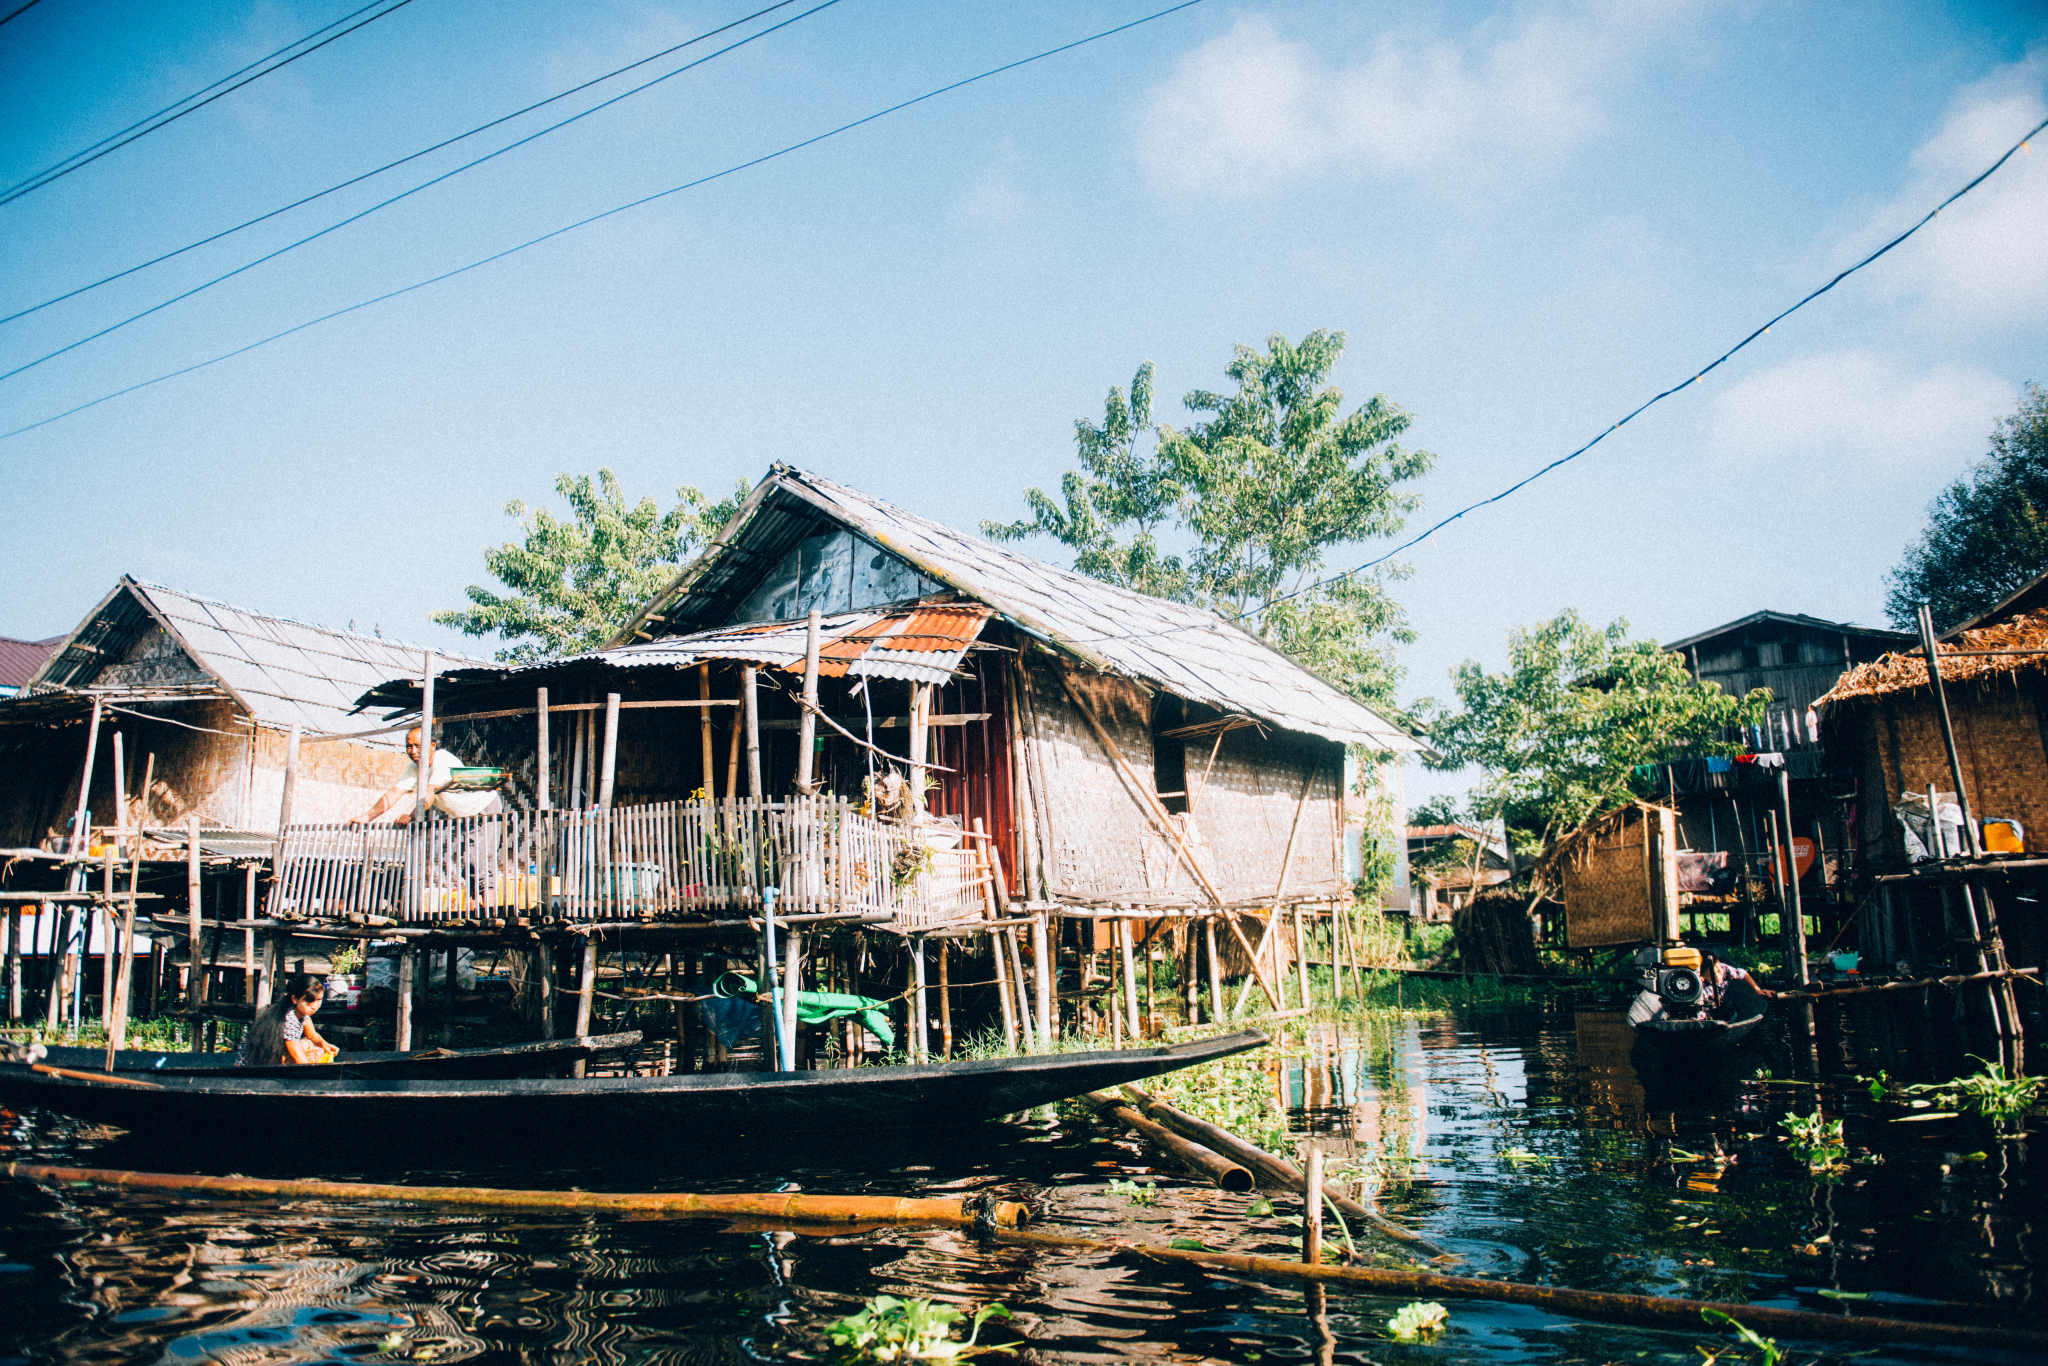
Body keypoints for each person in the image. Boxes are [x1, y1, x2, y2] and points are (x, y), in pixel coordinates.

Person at [356, 727, 499, 825]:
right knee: (463, 862)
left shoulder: (442, 761)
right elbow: (394, 793)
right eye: (409, 746)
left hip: (483, 806)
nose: (413, 751)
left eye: (418, 746)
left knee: (479, 861)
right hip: (463, 814)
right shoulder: (414, 767)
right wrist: (365, 818)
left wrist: (411, 816)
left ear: (432, 746)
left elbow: (429, 794)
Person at [237, 973, 338, 1066]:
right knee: (304, 1045)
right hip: (253, 1065)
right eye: (309, 1001)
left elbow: (312, 1034)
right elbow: (301, 1061)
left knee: (311, 1046)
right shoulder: (288, 1020)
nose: (314, 1006)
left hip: (270, 1060)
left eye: (319, 1000)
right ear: (294, 999)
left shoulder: (302, 1012)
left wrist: (325, 1045)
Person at [1699, 948, 1777, 1015]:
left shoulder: (1724, 968)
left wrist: (1758, 991)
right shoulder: (1698, 984)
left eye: (1719, 971)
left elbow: (1743, 974)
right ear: (1702, 976)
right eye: (1711, 975)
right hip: (1703, 1010)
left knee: (1730, 1011)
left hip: (1719, 1005)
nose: (1717, 976)